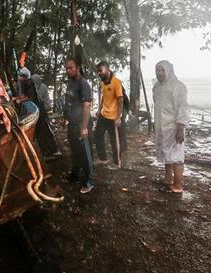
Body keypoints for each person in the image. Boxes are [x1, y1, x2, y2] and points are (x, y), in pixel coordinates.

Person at [152, 60, 190, 194]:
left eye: (162, 70)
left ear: (168, 71)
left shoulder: (178, 87)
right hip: (161, 126)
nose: (159, 73)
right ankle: (168, 179)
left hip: (174, 127)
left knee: (177, 157)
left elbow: (183, 108)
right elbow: (157, 106)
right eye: (157, 70)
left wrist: (180, 128)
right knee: (166, 154)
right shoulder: (157, 87)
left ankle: (178, 185)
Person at [62, 58, 94, 194]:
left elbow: (87, 107)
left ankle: (88, 182)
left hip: (82, 124)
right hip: (73, 124)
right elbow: (69, 102)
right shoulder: (71, 83)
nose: (68, 70)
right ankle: (74, 175)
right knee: (74, 152)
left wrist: (85, 127)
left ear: (78, 67)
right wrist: (66, 118)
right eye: (66, 68)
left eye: (71, 68)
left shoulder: (83, 84)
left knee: (85, 154)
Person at [14, 67, 61, 158]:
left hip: (40, 112)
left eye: (21, 76)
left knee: (45, 132)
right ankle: (46, 152)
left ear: (25, 77)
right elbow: (24, 95)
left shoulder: (31, 83)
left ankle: (53, 150)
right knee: (40, 133)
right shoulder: (25, 84)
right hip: (36, 112)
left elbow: (30, 97)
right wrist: (17, 98)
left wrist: (20, 100)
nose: (20, 78)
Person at [94, 60, 127, 169]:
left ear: (108, 70)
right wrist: (99, 109)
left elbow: (120, 100)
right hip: (104, 115)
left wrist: (118, 117)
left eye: (100, 71)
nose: (99, 73)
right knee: (97, 134)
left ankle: (117, 163)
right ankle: (103, 158)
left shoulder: (116, 82)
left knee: (114, 140)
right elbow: (103, 96)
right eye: (98, 71)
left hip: (113, 117)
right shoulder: (102, 82)